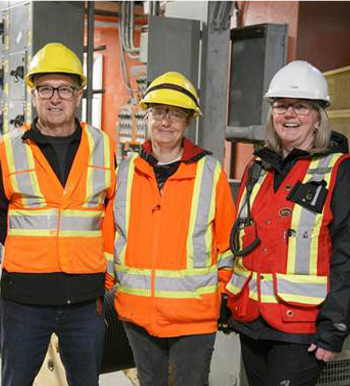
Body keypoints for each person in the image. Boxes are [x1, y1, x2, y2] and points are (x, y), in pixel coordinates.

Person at [221, 60, 350, 386]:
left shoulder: (342, 172)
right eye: (281, 106)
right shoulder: (258, 167)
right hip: (251, 318)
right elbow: (240, 241)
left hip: (302, 328)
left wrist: (335, 328)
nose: (289, 115)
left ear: (318, 117)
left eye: (301, 107)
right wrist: (227, 299)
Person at [0, 42, 116, 386]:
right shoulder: (8, 149)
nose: (55, 97)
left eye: (65, 89)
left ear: (78, 95)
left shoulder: (103, 146)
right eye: (46, 88)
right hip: (24, 300)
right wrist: (34, 251)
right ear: (34, 93)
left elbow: (111, 213)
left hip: (86, 301)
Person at [104, 71, 236, 386]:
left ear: (188, 121)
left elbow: (228, 245)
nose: (166, 121)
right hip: (137, 313)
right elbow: (109, 240)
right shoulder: (126, 172)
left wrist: (221, 294)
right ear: (146, 115)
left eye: (176, 114)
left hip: (194, 316)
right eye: (159, 111)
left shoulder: (209, 172)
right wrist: (104, 288)